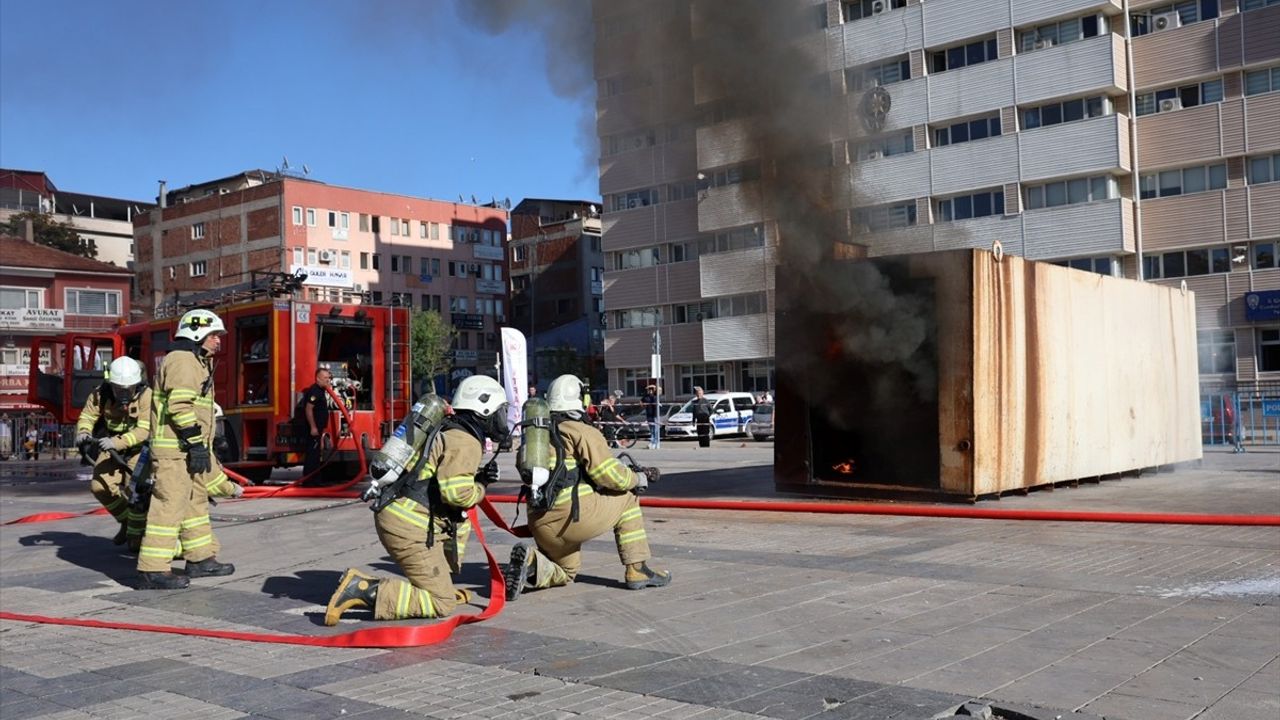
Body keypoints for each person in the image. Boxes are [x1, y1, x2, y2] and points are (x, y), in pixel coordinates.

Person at [324, 375, 508, 625]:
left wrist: (476, 478)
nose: (502, 418)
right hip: (410, 527)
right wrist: (481, 487)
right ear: (484, 408)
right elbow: (456, 495)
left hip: (399, 515)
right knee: (442, 604)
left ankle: (435, 586)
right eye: (500, 411)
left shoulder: (446, 426)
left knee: (443, 587)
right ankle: (362, 588)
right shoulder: (465, 441)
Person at [504, 374, 670, 600]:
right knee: (628, 498)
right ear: (579, 399)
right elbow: (608, 474)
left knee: (567, 571)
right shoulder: (581, 430)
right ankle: (637, 569)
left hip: (539, 522)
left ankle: (532, 564)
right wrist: (637, 478)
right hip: (571, 519)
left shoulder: (536, 435)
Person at [136, 308, 242, 590]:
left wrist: (203, 444)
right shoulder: (183, 361)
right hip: (175, 451)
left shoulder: (196, 361)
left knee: (195, 503)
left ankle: (199, 559)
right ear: (197, 333)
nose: (218, 341)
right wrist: (195, 442)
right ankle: (153, 569)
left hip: (186, 449)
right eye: (214, 335)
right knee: (168, 507)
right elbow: (179, 406)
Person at [75, 356, 152, 549]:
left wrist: (116, 443)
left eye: (129, 389)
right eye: (119, 389)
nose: (124, 393)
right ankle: (126, 522)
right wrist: (83, 432)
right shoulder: (100, 394)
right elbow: (87, 415)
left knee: (134, 491)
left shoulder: (146, 395)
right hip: (110, 446)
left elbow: (144, 430)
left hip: (137, 450)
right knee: (99, 486)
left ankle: (138, 534)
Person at [299, 368, 333, 477]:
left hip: (318, 428)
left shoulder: (320, 391)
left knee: (316, 454)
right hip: (313, 428)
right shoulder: (315, 391)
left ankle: (314, 480)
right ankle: (310, 481)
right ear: (317, 379)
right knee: (312, 455)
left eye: (329, 378)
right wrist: (313, 427)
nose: (328, 380)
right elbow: (309, 408)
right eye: (325, 378)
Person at [642, 384, 661, 450]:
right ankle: (652, 442)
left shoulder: (656, 396)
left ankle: (656, 442)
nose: (650, 390)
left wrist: (654, 386)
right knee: (652, 430)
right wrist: (643, 405)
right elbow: (641, 402)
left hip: (655, 415)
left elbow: (660, 390)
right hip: (649, 414)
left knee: (656, 430)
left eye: (651, 389)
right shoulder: (646, 396)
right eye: (649, 389)